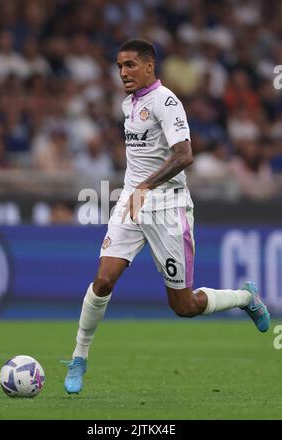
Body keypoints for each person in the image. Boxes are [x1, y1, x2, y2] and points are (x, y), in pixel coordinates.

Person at [63, 39, 270, 394]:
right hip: (131, 201)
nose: (123, 72)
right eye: (118, 66)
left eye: (129, 65)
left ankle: (245, 298)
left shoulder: (166, 101)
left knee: (184, 305)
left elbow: (184, 155)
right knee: (104, 280)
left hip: (168, 207)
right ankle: (79, 357)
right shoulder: (128, 104)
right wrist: (136, 189)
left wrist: (145, 185)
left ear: (149, 66)